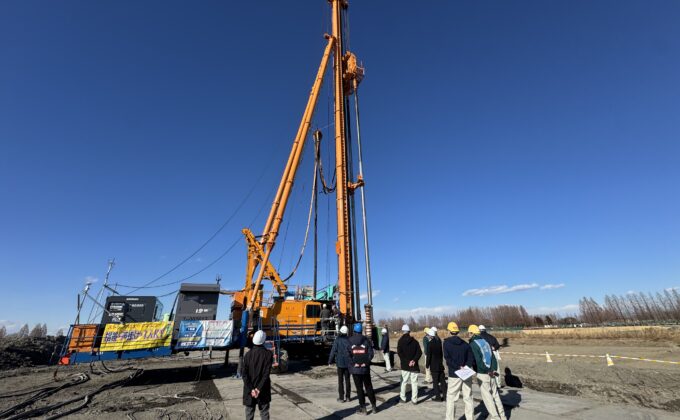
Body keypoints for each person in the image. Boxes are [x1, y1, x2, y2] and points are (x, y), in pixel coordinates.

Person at [469, 325, 507, 420]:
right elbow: (493, 357)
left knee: (488, 398)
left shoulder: (473, 344)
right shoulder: (485, 342)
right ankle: (503, 416)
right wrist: (493, 369)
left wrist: (485, 370)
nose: (468, 334)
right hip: (492, 372)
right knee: (496, 395)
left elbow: (478, 361)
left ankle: (495, 418)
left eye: (469, 333)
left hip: (483, 373)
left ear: (472, 333)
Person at [443, 321, 474, 420]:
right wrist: (466, 367)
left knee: (452, 398)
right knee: (468, 398)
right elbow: (471, 358)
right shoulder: (465, 344)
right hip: (466, 373)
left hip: (454, 374)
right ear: (457, 331)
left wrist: (458, 367)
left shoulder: (446, 343)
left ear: (449, 331)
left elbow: (448, 359)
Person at [347, 323, 378, 415]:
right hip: (365, 369)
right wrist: (365, 362)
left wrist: (354, 363)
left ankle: (363, 408)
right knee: (369, 387)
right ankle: (374, 407)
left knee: (359, 389)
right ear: (361, 331)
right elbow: (371, 354)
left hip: (355, 369)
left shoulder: (350, 340)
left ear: (354, 331)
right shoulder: (366, 340)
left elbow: (348, 355)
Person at [242, 330, 273, 420]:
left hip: (249, 390)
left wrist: (252, 389)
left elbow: (244, 375)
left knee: (249, 413)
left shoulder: (247, 355)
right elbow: (266, 374)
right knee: (264, 413)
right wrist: (258, 389)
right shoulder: (268, 354)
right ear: (263, 340)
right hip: (263, 389)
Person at [397, 324, 422, 404]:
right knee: (414, 383)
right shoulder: (415, 342)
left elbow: (400, 353)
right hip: (414, 366)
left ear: (403, 331)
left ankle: (403, 398)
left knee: (404, 382)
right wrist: (413, 360)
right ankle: (414, 399)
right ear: (409, 331)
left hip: (405, 366)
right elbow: (419, 352)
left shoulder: (400, 341)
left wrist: (408, 361)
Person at [328, 325, 351, 402]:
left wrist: (330, 361)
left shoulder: (337, 340)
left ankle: (341, 397)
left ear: (340, 332)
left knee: (340, 381)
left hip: (340, 363)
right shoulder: (349, 340)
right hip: (348, 363)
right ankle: (348, 397)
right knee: (347, 380)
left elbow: (333, 351)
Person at [426, 327, 447, 401]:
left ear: (430, 336)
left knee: (435, 382)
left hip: (434, 366)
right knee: (443, 381)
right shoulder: (439, 342)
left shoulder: (430, 344)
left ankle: (438, 397)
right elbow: (441, 354)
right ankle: (445, 396)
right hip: (440, 365)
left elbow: (429, 355)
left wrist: (427, 365)